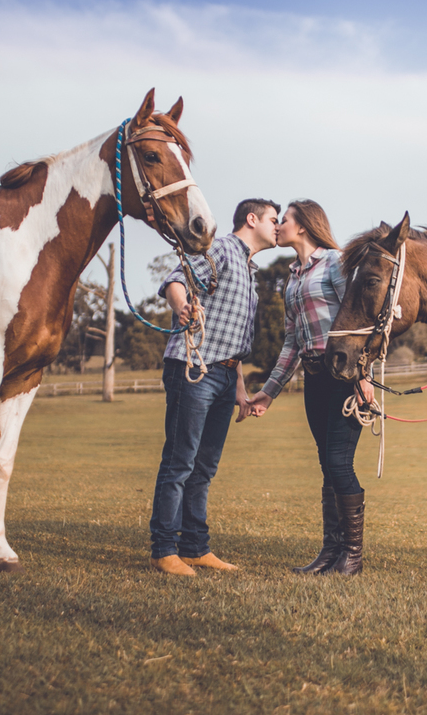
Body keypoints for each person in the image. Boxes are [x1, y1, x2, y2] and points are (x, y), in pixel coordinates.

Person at [148, 198, 280, 576]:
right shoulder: (221, 248)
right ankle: (163, 549)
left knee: (204, 467)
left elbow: (233, 340)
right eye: (273, 219)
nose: (278, 226)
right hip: (193, 368)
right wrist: (182, 306)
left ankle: (194, 548)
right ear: (252, 219)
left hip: (224, 375)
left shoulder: (249, 269)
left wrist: (238, 388)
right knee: (180, 462)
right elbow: (176, 279)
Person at [248, 200, 376, 575]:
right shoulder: (293, 278)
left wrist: (363, 376)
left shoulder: (335, 262)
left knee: (338, 462)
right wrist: (269, 391)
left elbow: (359, 321)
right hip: (313, 378)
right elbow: (292, 342)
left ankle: (352, 555)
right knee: (327, 466)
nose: (278, 226)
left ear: (303, 225)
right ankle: (330, 551)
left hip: (343, 376)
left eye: (284, 220)